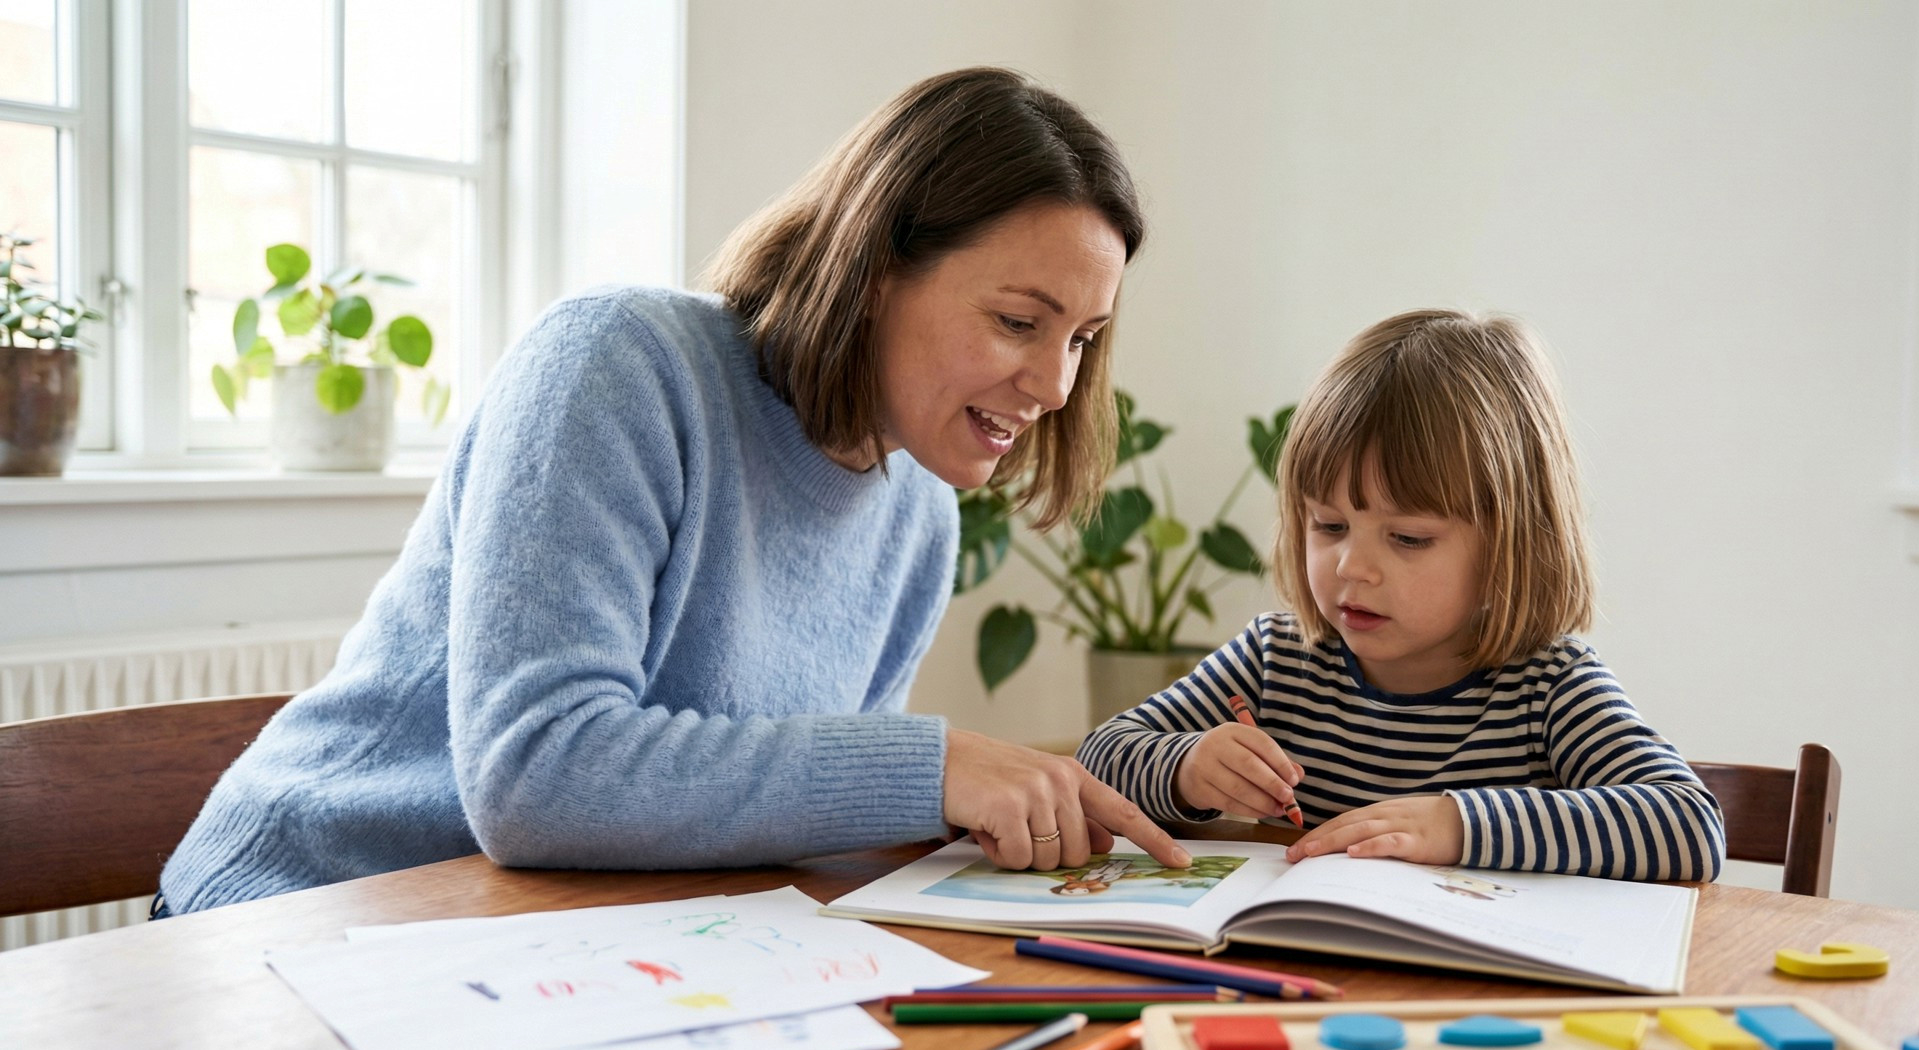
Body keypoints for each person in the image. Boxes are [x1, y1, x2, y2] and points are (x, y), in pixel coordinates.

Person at [158, 67, 1189, 917]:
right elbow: (537, 775)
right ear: (876, 268)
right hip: (300, 916)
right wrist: (926, 767)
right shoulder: (619, 362)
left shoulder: (916, 510)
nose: (1055, 386)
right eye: (1018, 321)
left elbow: (771, 809)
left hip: (556, 947)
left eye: (1082, 340)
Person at [1076, 310, 1724, 881]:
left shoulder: (1548, 687)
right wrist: (1186, 768)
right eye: (1328, 526)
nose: (1353, 567)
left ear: (1512, 544)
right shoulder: (1278, 659)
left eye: (1408, 538)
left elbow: (1689, 823)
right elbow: (1099, 758)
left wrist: (1458, 827)